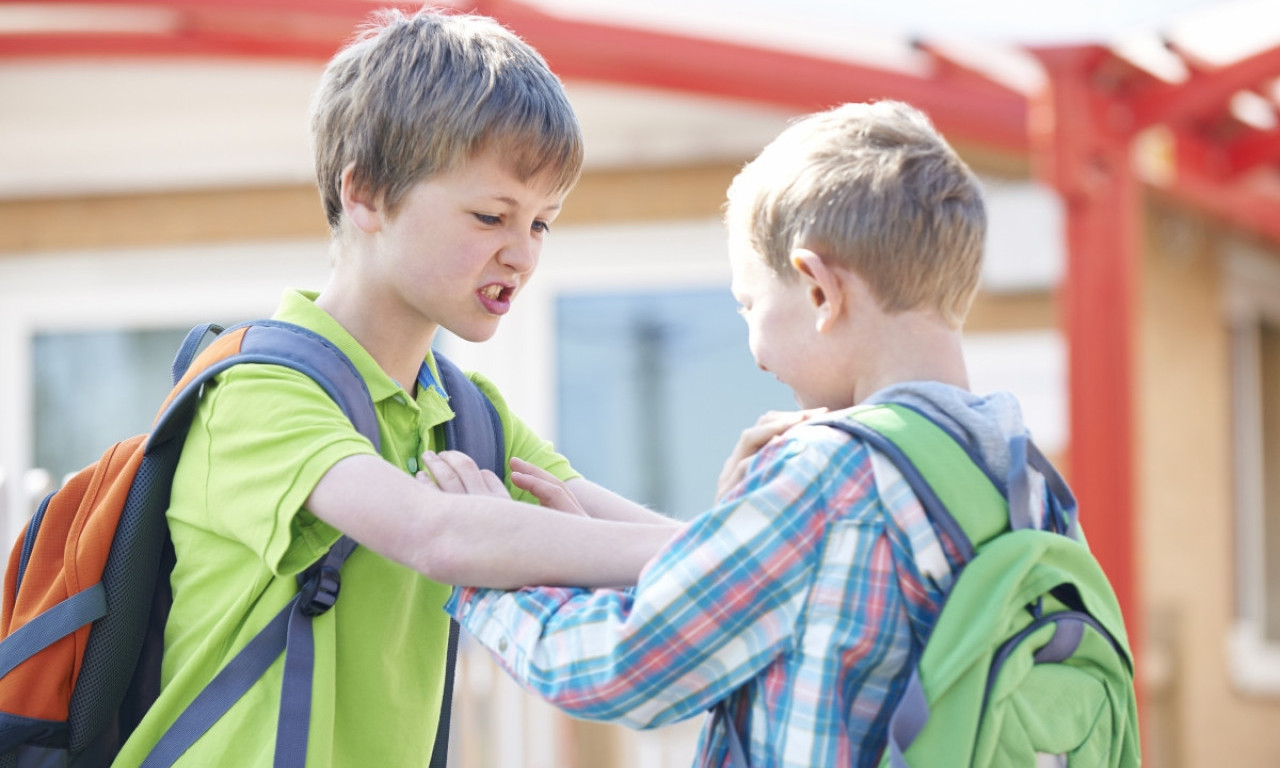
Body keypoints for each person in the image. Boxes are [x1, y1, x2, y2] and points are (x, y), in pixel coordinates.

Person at [112, 9, 677, 767]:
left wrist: (759, 545)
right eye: (491, 216)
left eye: (542, 224)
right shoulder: (257, 392)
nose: (522, 254)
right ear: (367, 194)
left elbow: (644, 538)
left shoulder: (467, 417)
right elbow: (435, 533)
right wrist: (725, 555)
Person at [434, 99, 1066, 767]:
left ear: (819, 290)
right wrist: (720, 535)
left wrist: (484, 569)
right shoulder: (1022, 475)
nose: (756, 354)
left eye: (749, 305)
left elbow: (622, 667)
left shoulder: (829, 476)